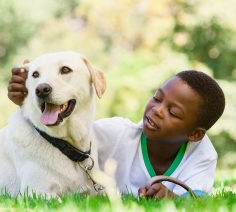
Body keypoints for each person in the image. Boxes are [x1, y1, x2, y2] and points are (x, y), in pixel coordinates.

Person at [8, 67, 225, 198]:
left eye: (173, 112)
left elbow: (198, 197)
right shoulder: (116, 133)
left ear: (195, 134)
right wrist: (29, 104)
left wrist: (175, 198)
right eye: (157, 98)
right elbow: (61, 137)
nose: (157, 110)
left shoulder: (202, 153)